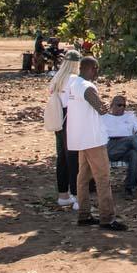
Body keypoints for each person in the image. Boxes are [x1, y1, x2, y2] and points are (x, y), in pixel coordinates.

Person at [67, 56, 127, 230]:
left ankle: (84, 214)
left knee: (83, 178)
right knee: (103, 178)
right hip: (93, 139)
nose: (97, 73)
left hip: (80, 138)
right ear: (92, 68)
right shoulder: (87, 86)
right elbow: (100, 109)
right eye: (97, 69)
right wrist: (108, 104)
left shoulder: (74, 84)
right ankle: (107, 218)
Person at [47, 50, 81, 208]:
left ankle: (63, 195)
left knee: (62, 157)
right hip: (70, 118)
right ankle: (76, 195)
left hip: (58, 117)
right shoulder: (74, 79)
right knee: (73, 158)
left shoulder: (57, 77)